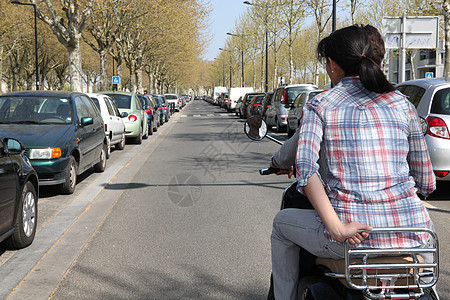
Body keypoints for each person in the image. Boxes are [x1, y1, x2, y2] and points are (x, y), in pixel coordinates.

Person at [270, 24, 436, 299]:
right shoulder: (402, 103)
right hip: (414, 235)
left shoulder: (320, 105)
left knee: (281, 224)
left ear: (333, 65)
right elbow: (427, 183)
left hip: (352, 239)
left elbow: (307, 169)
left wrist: (336, 228)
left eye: (326, 62)